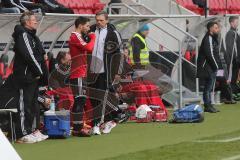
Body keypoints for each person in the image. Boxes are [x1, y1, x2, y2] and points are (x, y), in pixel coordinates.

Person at [11, 11, 48, 143]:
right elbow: (29, 56)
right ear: (27, 22)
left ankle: (32, 130)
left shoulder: (32, 36)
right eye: (34, 20)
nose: (36, 21)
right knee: (23, 106)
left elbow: (38, 55)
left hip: (33, 77)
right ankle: (22, 134)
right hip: (25, 77)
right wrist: (39, 72)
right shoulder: (23, 34)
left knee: (32, 106)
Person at [89, 10, 122, 135]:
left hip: (105, 71)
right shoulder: (91, 30)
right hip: (92, 70)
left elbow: (118, 54)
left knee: (102, 97)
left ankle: (99, 123)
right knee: (93, 97)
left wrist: (117, 71)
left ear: (107, 20)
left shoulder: (113, 33)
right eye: (97, 20)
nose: (99, 22)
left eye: (101, 20)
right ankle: (110, 119)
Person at [68, 16, 96, 137]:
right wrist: (93, 37)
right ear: (80, 25)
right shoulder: (75, 36)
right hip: (77, 73)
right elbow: (89, 47)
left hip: (80, 73)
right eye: (87, 26)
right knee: (80, 100)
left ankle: (77, 126)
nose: (89, 28)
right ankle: (77, 128)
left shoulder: (78, 37)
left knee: (80, 100)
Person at [197, 21, 222, 113]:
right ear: (210, 29)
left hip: (211, 67)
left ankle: (210, 104)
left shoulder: (213, 38)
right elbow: (209, 54)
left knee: (210, 87)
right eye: (216, 28)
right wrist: (216, 66)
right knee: (208, 87)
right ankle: (207, 106)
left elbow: (215, 54)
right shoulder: (208, 38)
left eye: (218, 28)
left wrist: (219, 67)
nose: (218, 30)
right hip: (208, 67)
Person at [225, 16, 240, 101]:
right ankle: (231, 94)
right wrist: (234, 59)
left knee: (234, 77)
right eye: (236, 22)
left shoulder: (235, 33)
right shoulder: (231, 33)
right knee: (232, 77)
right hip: (233, 60)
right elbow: (230, 48)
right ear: (231, 23)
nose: (237, 23)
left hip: (236, 60)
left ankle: (234, 92)